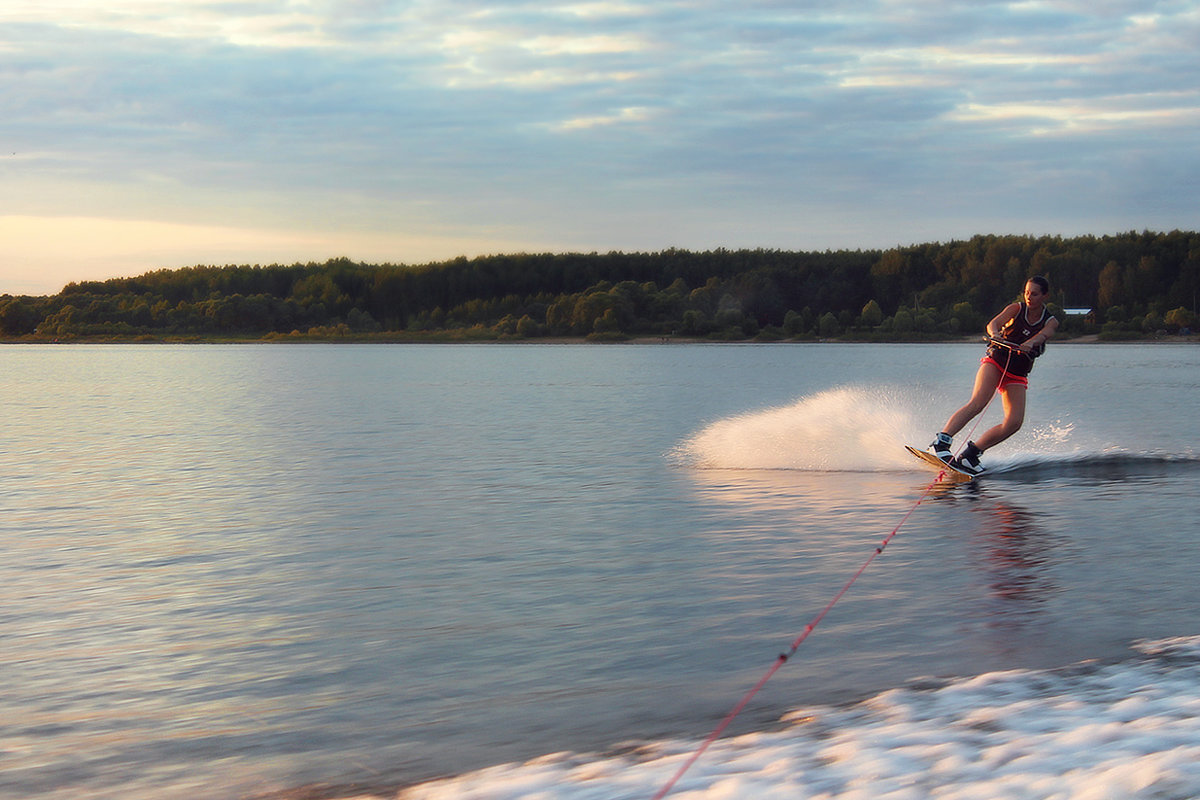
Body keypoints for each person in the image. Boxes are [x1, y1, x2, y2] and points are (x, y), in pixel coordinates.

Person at [928, 276, 1059, 475]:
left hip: (1017, 373)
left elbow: (1044, 334)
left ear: (1045, 296)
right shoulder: (1016, 309)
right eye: (1026, 292)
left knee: (1014, 422)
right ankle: (941, 442)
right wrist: (996, 334)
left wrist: (1031, 343)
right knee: (979, 402)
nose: (1029, 297)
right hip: (996, 361)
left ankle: (971, 454)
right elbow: (993, 324)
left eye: (1034, 294)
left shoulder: (1051, 321)